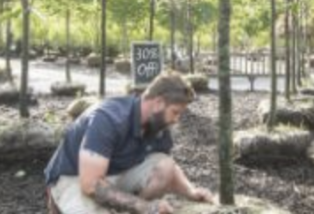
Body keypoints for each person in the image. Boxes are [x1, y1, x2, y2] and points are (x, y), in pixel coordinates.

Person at [45, 72, 215, 214]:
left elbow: (168, 167)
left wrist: (190, 191)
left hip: (113, 173)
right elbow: (91, 184)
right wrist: (146, 207)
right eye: (175, 112)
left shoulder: (157, 125)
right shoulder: (108, 119)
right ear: (158, 103)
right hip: (74, 178)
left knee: (165, 166)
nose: (176, 120)